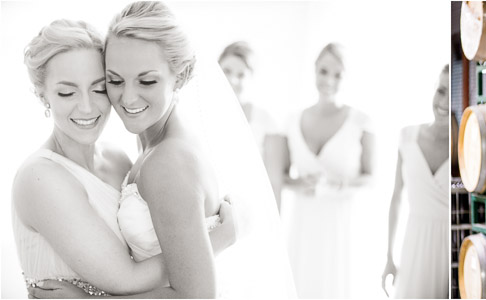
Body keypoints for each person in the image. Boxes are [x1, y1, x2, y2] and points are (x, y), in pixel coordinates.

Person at [29, 2, 295, 298]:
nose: (127, 98)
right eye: (114, 81)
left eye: (147, 81)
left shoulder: (167, 162)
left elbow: (196, 296)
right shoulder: (150, 145)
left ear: (180, 76)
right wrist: (222, 237)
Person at [14, 18, 234, 297]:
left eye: (99, 88)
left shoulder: (119, 160)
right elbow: (127, 279)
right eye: (67, 92)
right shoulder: (39, 178)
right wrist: (219, 238)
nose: (86, 106)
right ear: (42, 94)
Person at [266, 42, 375, 298]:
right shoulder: (291, 121)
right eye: (324, 71)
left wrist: (336, 184)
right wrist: (299, 184)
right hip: (304, 224)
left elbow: (371, 178)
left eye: (338, 74)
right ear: (315, 70)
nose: (329, 80)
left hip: (342, 224)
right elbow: (279, 176)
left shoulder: (361, 121)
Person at [382, 65, 450, 298]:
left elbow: (465, 186)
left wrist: (455, 185)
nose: (444, 101)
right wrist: (389, 257)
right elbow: (396, 197)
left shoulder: (463, 143)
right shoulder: (407, 136)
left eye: (452, 94)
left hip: (449, 248)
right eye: (441, 91)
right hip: (413, 243)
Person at [217, 41, 276, 153]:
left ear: (251, 78)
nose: (232, 80)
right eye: (226, 71)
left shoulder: (264, 119)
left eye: (241, 75)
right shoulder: (199, 111)